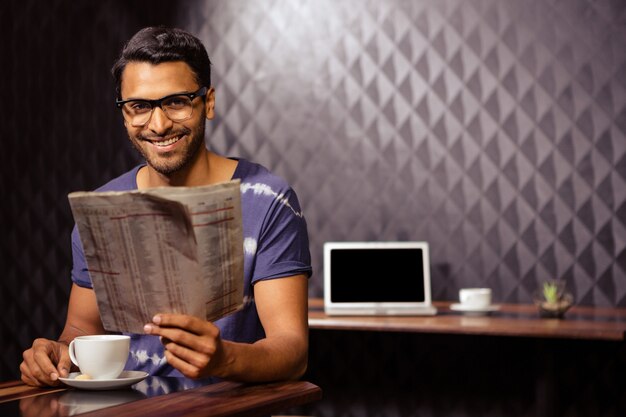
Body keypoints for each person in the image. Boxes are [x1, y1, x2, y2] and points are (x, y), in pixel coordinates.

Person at [20, 26, 312, 387]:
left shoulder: (268, 201)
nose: (158, 125)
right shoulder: (103, 208)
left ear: (208, 102)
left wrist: (224, 358)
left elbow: (293, 351)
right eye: (139, 106)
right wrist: (58, 352)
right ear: (125, 114)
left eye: (176, 102)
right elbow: (81, 329)